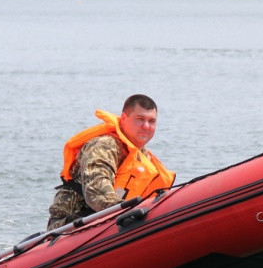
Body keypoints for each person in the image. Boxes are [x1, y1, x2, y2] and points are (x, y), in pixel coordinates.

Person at [46, 94, 175, 230]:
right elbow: (96, 191)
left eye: (152, 121)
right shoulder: (104, 146)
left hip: (110, 222)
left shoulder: (143, 158)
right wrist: (127, 212)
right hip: (72, 223)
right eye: (139, 119)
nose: (146, 126)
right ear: (124, 118)